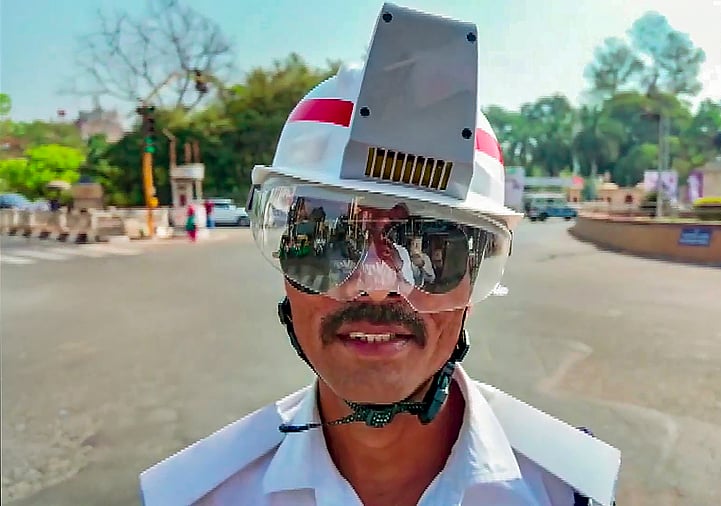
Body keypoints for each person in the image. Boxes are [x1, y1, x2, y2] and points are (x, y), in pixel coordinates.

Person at [139, 4, 620, 506]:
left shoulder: (565, 493)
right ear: (285, 266)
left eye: (430, 248)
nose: (375, 281)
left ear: (472, 285)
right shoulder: (200, 497)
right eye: (327, 239)